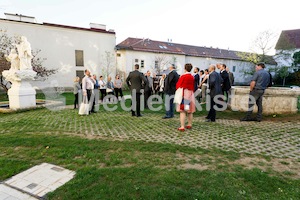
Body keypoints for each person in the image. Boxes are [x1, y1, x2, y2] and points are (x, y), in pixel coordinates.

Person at [176, 63, 196, 131]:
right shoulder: (192, 76)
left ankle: (182, 126)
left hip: (184, 94)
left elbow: (178, 85)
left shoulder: (183, 76)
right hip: (190, 94)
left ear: (185, 68)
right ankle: (189, 124)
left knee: (183, 111)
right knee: (189, 111)